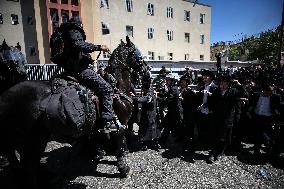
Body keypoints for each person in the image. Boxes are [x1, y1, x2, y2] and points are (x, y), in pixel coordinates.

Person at [50, 21, 118, 129]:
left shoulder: (63, 33)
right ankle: (108, 121)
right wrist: (99, 47)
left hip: (68, 70)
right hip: (80, 70)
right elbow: (79, 45)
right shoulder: (73, 30)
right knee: (107, 89)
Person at [132, 75, 161, 151]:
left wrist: (133, 98)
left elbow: (144, 99)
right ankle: (150, 143)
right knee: (148, 128)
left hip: (150, 114)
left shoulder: (150, 92)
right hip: (148, 113)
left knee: (148, 128)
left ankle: (152, 143)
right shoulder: (150, 89)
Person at [160, 74, 183, 145]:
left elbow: (169, 99)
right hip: (173, 111)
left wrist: (159, 98)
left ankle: (163, 140)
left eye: (168, 80)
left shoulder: (174, 89)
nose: (166, 81)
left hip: (175, 111)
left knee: (169, 125)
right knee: (168, 125)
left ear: (172, 81)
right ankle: (163, 140)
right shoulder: (172, 88)